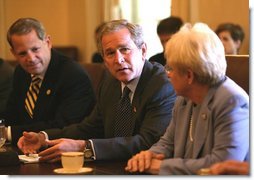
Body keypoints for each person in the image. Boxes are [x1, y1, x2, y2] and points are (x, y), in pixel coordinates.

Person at [17, 19, 176, 162]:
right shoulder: (109, 82)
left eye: (125, 49)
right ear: (104, 59)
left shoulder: (162, 85)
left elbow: (147, 142)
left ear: (142, 51)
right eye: (110, 53)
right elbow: (89, 127)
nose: (118, 59)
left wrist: (84, 147)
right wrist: (44, 138)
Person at [125, 22, 249, 175]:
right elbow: (167, 143)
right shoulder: (184, 99)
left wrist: (161, 166)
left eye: (170, 68)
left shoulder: (232, 101)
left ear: (189, 75)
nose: (167, 73)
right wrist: (148, 156)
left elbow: (222, 164)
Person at [2, 18, 96, 144]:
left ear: (48, 42)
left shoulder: (73, 75)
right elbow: (11, 116)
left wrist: (7, 133)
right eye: (22, 53)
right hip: (26, 150)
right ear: (13, 53)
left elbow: (64, 125)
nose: (31, 58)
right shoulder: (21, 72)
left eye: (35, 49)